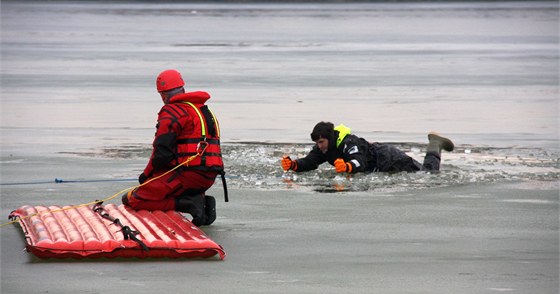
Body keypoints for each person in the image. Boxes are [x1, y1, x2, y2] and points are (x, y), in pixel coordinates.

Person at [122, 69, 225, 226]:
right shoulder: (203, 111)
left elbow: (162, 153)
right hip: (208, 178)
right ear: (182, 88)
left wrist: (146, 176)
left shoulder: (172, 111)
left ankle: (190, 203)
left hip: (188, 176)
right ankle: (198, 199)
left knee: (134, 199)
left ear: (162, 94)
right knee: (153, 190)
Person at [281, 122, 454, 174]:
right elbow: (311, 161)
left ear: (329, 139)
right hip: (378, 166)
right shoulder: (324, 148)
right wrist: (294, 165)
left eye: (321, 142)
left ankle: (435, 144)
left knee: (429, 174)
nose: (319, 146)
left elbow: (359, 161)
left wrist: (348, 166)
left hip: (388, 157)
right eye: (317, 143)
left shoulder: (349, 142)